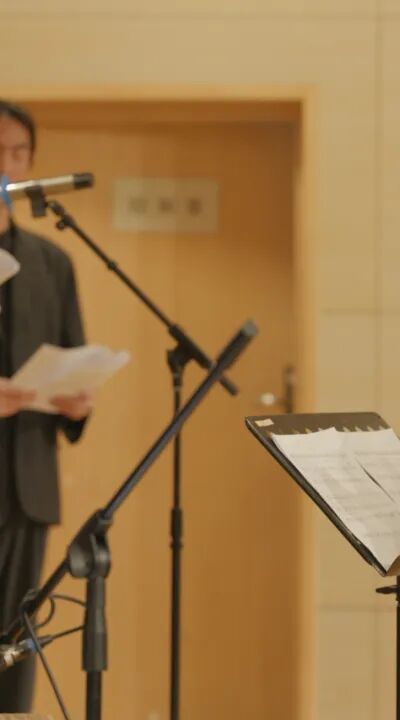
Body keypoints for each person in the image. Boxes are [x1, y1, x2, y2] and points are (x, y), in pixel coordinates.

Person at [0, 99, 94, 713]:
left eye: (19, 154)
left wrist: (78, 402)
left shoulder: (51, 262)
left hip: (26, 484)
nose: (7, 166)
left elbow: (72, 353)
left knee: (14, 647)